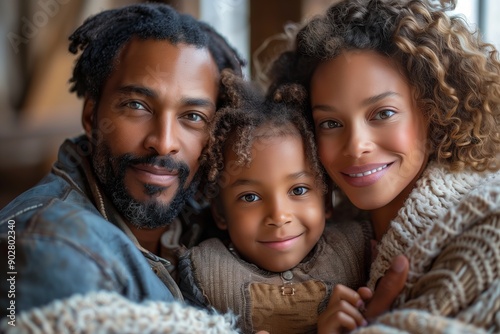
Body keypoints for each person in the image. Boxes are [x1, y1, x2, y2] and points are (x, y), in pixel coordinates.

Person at [266, 0, 500, 333]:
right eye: (330, 123)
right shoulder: (309, 240)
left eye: (383, 113)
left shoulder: (489, 221)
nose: (356, 145)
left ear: (435, 110)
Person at [0, 2, 245, 318]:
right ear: (91, 116)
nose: (164, 143)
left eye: (193, 116)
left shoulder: (211, 219)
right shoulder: (49, 248)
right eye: (137, 106)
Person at [177, 69, 375, 334]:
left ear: (326, 201)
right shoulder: (206, 275)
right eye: (250, 197)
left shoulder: (355, 252)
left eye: (299, 190)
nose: (279, 216)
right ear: (221, 213)